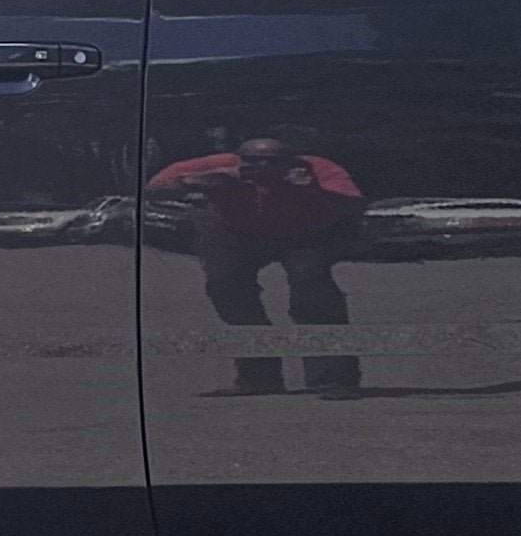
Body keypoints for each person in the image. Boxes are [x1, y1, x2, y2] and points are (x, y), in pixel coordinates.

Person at [148, 134, 364, 395]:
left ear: (290, 161)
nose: (261, 169)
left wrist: (313, 189)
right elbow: (153, 188)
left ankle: (334, 377)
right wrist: (194, 183)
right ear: (239, 159)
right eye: (252, 162)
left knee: (312, 289)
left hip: (302, 234)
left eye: (271, 162)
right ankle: (259, 376)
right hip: (234, 231)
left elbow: (354, 205)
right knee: (227, 288)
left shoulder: (315, 169)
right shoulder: (221, 165)